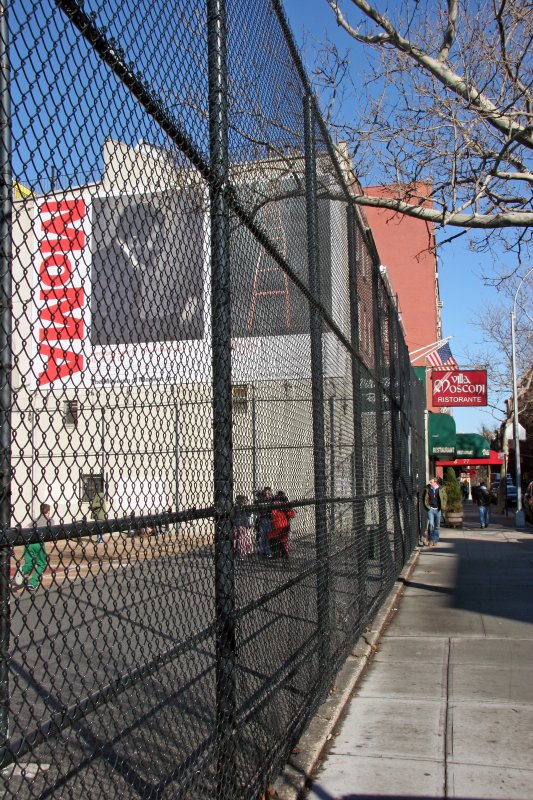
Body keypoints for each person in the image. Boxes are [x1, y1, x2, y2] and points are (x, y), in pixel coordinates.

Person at [13, 502, 53, 592]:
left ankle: (22, 569)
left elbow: (26, 527)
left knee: (29, 563)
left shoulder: (35, 520)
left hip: (28, 543)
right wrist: (51, 542)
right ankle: (33, 583)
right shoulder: (50, 520)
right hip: (38, 543)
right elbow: (51, 532)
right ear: (49, 512)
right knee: (42, 563)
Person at [269, 491, 295, 559]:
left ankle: (283, 554)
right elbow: (272, 514)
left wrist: (286, 509)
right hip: (277, 526)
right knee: (277, 540)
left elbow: (292, 515)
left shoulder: (285, 507)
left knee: (281, 540)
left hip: (282, 526)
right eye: (276, 501)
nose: (277, 503)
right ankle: (280, 554)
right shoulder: (274, 508)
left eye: (279, 501)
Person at [423, 477, 441, 547]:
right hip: (430, 509)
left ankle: (435, 540)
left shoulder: (440, 489)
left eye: (431, 482)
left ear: (435, 482)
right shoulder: (427, 489)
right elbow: (424, 498)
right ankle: (430, 540)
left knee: (437, 526)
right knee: (431, 525)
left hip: (438, 510)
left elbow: (444, 498)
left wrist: (442, 506)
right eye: (430, 482)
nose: (430, 483)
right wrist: (427, 506)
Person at [256, 487, 273, 558]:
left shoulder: (272, 499)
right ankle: (262, 551)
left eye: (268, 492)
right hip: (262, 519)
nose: (267, 494)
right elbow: (257, 499)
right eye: (265, 492)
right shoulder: (261, 499)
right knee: (262, 537)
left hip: (269, 520)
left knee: (268, 537)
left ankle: (268, 551)